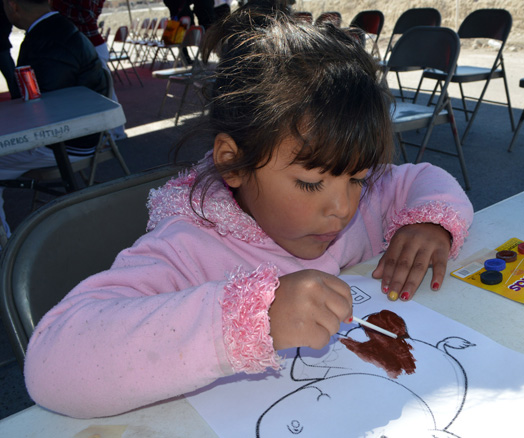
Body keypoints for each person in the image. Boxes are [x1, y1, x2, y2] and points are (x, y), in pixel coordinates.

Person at [24, 4, 473, 419]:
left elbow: (420, 178)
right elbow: (50, 364)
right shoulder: (188, 248)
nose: (343, 207)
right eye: (310, 183)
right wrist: (246, 320)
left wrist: (429, 221)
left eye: (357, 178)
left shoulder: (360, 198)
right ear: (232, 163)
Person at [0, 0, 109, 236]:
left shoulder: (45, 42)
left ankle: (4, 243)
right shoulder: (60, 29)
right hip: (84, 134)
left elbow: (43, 116)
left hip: (68, 143)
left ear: (12, 6)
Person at [49, 0, 126, 140]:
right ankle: (109, 132)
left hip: (91, 45)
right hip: (85, 44)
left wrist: (59, 11)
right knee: (97, 92)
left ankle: (115, 132)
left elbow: (87, 16)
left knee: (104, 92)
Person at [0, 2, 17, 97]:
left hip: (2, 47)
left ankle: (17, 95)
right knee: (11, 76)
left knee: (12, 78)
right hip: (2, 46)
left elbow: (7, 21)